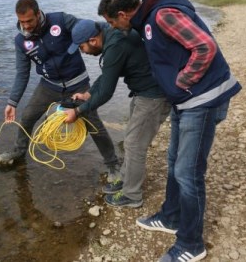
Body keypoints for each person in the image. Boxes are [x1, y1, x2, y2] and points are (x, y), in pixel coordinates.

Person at [98, 0, 242, 262]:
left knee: (189, 173)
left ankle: (191, 244)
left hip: (200, 99)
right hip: (184, 102)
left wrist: (183, 81)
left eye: (111, 22)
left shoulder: (162, 15)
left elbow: (205, 47)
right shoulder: (148, 19)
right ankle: (171, 216)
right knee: (174, 159)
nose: (112, 28)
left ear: (121, 14)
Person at [0, 0, 120, 182]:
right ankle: (19, 152)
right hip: (48, 86)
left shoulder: (61, 20)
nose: (26, 26)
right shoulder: (21, 41)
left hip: (78, 84)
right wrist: (12, 102)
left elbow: (91, 28)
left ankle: (113, 164)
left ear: (38, 14)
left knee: (94, 124)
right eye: (22, 22)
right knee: (28, 116)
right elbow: (22, 74)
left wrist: (118, 29)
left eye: (29, 20)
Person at [62, 19, 170, 208]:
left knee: (135, 145)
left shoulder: (115, 45)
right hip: (142, 92)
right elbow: (106, 76)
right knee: (130, 140)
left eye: (81, 47)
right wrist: (87, 94)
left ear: (93, 40)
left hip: (154, 95)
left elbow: (106, 92)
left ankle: (132, 195)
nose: (83, 52)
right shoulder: (110, 35)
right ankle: (126, 180)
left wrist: (77, 112)